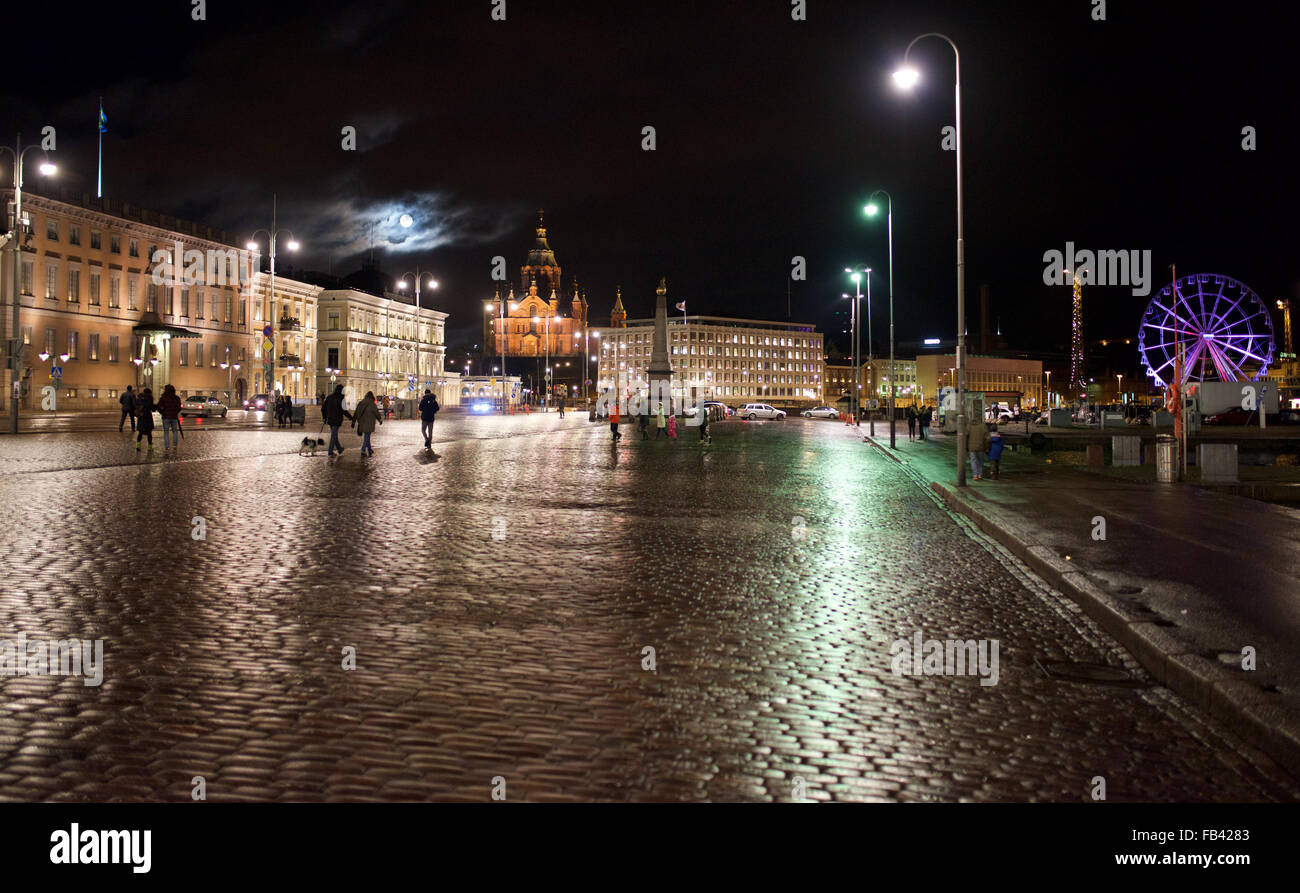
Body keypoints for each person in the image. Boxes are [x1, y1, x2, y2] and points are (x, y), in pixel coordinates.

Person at [321, 384, 353, 457]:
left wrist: (324, 418)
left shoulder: (329, 397)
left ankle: (339, 449)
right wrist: (350, 417)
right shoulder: (341, 399)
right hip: (337, 420)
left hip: (330, 419)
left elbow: (323, 409)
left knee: (334, 435)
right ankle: (330, 452)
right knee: (333, 436)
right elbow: (344, 411)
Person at [352, 390, 382, 456]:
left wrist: (353, 421)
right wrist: (379, 419)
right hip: (369, 422)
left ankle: (369, 449)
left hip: (362, 422)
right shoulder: (372, 404)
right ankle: (363, 450)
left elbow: (356, 412)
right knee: (367, 436)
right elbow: (376, 413)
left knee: (367, 436)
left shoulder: (361, 403)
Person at [157, 384, 182, 450]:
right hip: (174, 417)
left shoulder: (163, 398)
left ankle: (167, 446)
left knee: (166, 432)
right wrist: (176, 412)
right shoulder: (177, 398)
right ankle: (175, 445)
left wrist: (162, 412)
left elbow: (158, 406)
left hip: (166, 417)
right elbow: (179, 407)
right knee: (175, 431)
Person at [135, 387, 156, 452]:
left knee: (140, 433)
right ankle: (150, 447)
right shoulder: (149, 398)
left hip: (141, 417)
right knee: (149, 433)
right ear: (149, 393)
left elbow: (136, 406)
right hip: (147, 417)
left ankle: (138, 446)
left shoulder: (139, 398)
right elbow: (151, 408)